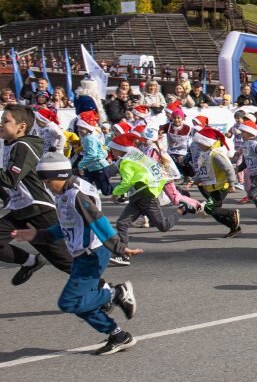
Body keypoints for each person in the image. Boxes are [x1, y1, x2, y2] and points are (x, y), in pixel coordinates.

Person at [11, 151, 140, 355]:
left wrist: (119, 247)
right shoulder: (64, 194)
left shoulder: (76, 194)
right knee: (82, 304)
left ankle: (116, 293)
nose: (45, 186)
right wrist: (38, 235)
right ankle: (119, 335)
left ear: (60, 176)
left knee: (68, 302)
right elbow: (65, 226)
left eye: (47, 181)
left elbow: (98, 221)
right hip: (81, 254)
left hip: (92, 254)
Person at [0, 103, 74, 286]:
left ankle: (112, 291)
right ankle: (31, 261)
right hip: (19, 210)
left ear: (21, 126)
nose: (0, 123)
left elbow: (10, 179)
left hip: (38, 210)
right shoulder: (9, 145)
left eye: (5, 121)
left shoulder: (23, 146)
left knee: (65, 262)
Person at [108, 132, 193, 258]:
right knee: (122, 223)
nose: (112, 153)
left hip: (146, 195)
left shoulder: (126, 162)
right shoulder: (135, 155)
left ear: (121, 149)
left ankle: (183, 208)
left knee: (163, 226)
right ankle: (122, 255)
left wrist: (115, 193)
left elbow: (127, 182)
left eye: (113, 150)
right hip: (140, 194)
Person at [192, 126, 242, 238]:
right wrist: (195, 180)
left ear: (207, 142)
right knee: (214, 211)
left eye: (200, 142)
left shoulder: (216, 154)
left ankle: (232, 214)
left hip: (222, 186)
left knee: (209, 208)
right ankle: (234, 227)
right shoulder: (206, 154)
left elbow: (228, 169)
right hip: (213, 186)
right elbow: (203, 170)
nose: (198, 145)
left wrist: (232, 183)